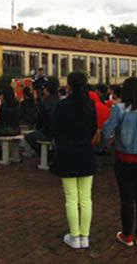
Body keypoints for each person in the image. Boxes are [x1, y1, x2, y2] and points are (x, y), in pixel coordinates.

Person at [101, 77, 137, 247]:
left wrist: (105, 144)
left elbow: (106, 130)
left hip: (124, 158)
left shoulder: (119, 109)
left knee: (126, 198)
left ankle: (127, 235)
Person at [51, 72, 97, 250]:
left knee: (71, 198)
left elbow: (56, 130)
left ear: (69, 86)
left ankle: (74, 236)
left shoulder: (62, 105)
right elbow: (93, 129)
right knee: (86, 198)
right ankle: (85, 236)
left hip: (67, 152)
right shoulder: (90, 105)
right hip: (86, 152)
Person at [25, 81, 60, 156]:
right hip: (58, 131)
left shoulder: (45, 102)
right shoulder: (59, 101)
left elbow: (40, 119)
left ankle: (45, 155)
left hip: (48, 132)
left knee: (28, 137)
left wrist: (38, 128)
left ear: (47, 90)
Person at [0, 86, 21, 160]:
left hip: (5, 129)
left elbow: (0, 119)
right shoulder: (17, 104)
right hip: (16, 129)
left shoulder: (3, 105)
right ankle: (16, 153)